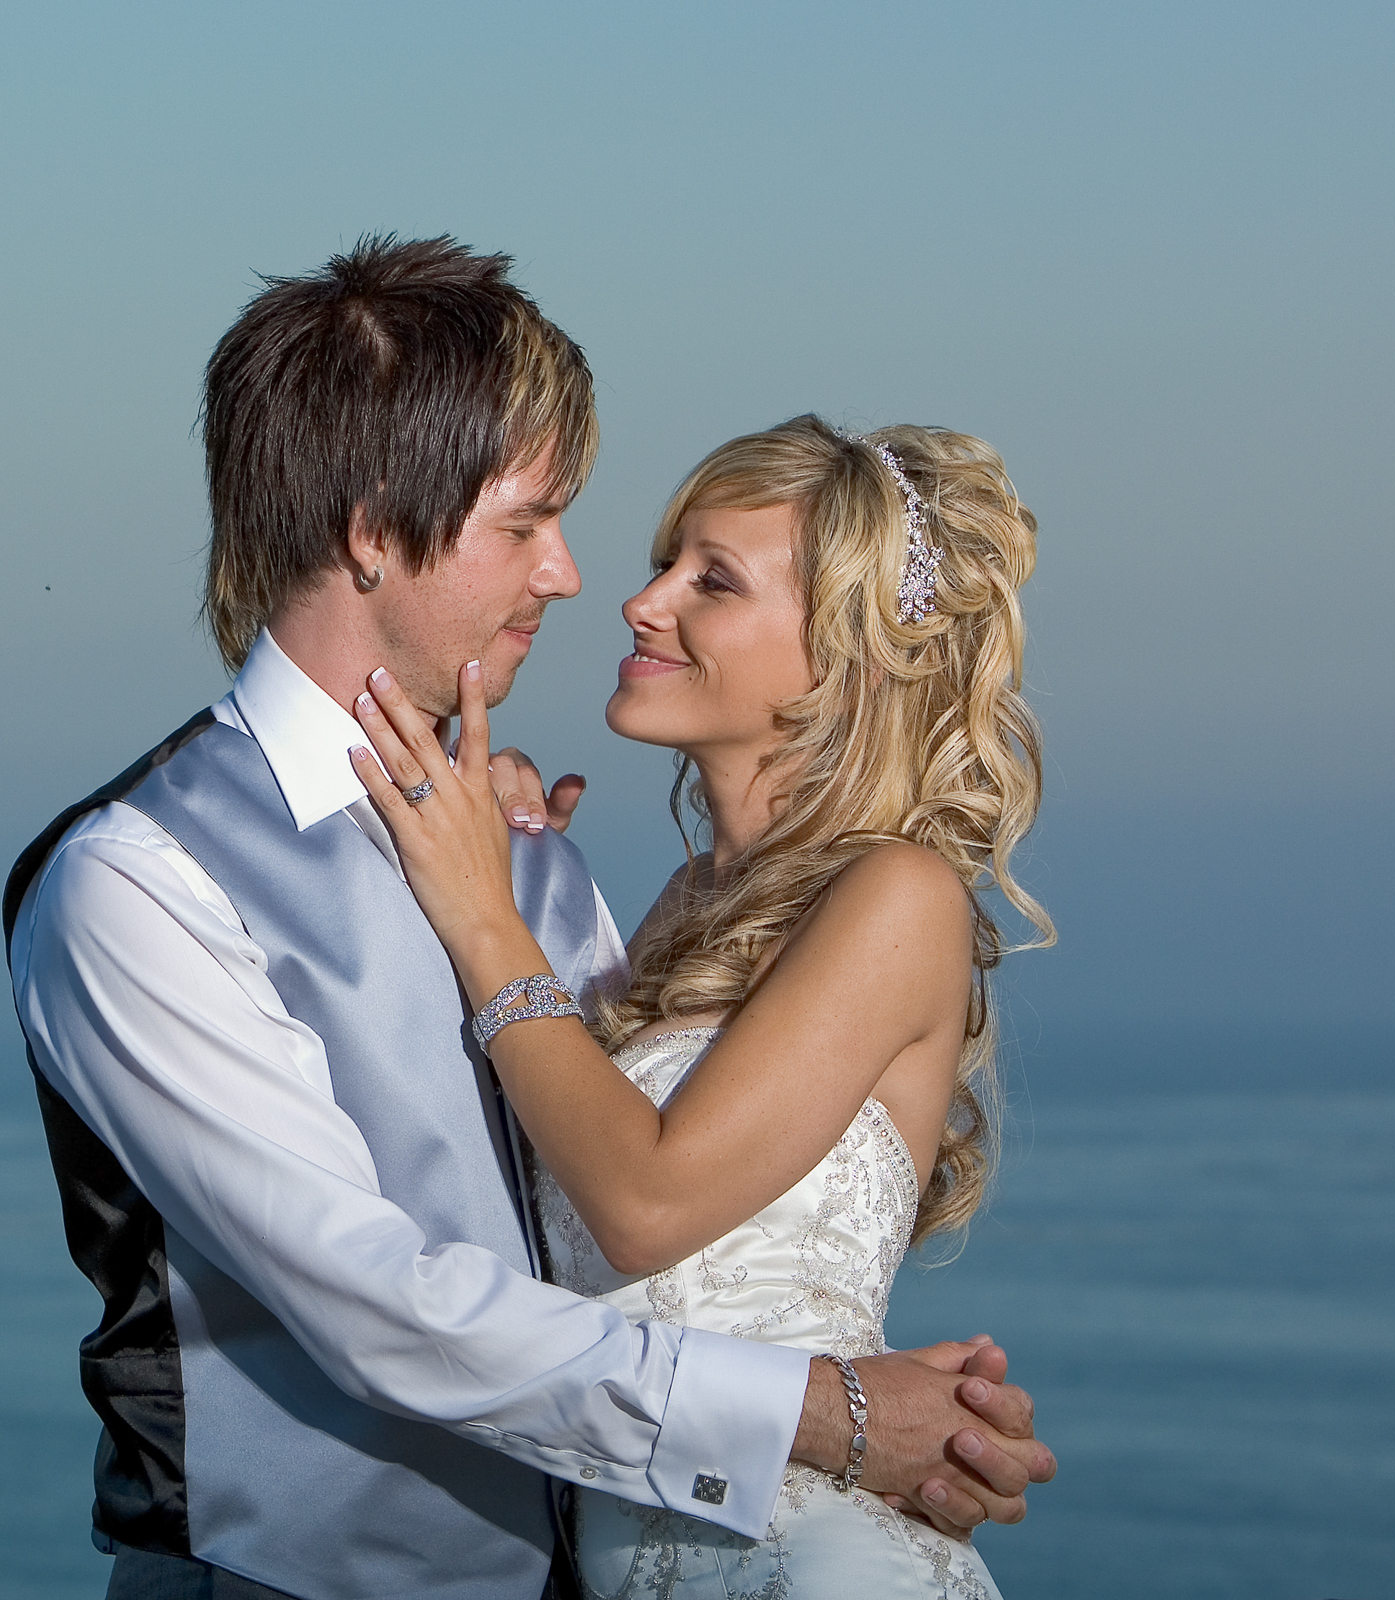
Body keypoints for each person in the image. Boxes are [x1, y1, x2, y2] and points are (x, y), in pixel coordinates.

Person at [5, 239, 1053, 1600]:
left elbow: (650, 1210)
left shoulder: (536, 865)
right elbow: (383, 1309)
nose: (576, 577)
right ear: (374, 530)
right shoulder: (142, 880)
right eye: (524, 525)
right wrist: (831, 1417)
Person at [343, 414, 1050, 1597]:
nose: (641, 600)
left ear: (845, 654)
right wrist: (514, 873)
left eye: (710, 580)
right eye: (667, 560)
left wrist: (483, 916)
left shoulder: (896, 896)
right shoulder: (679, 910)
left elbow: (647, 1199)